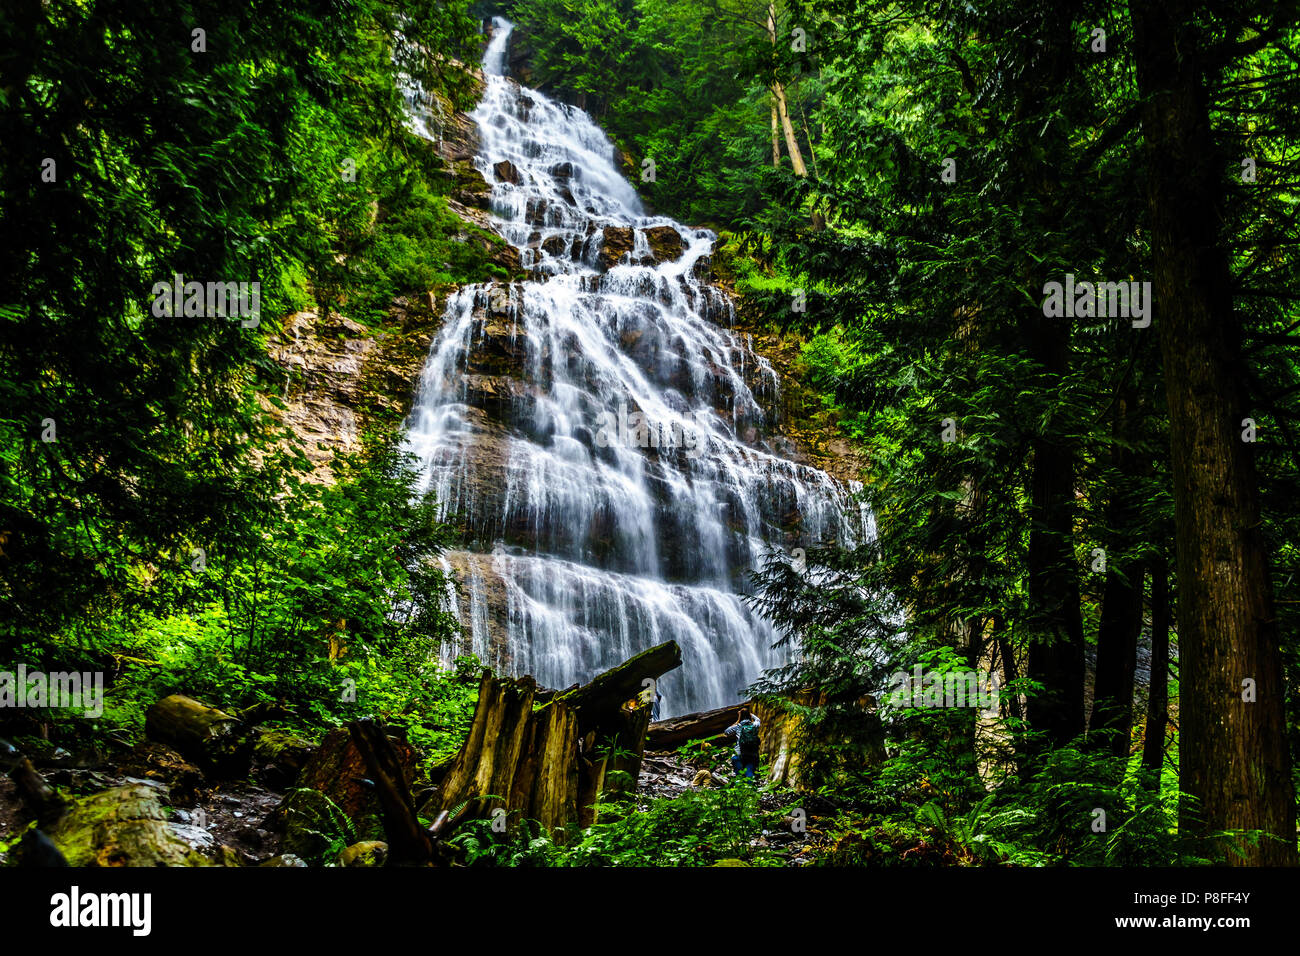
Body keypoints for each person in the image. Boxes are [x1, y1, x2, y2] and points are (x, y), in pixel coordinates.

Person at [724, 707, 761, 781]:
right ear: (749, 716)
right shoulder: (754, 725)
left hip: (738, 754)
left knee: (739, 776)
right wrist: (751, 714)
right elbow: (758, 720)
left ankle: (740, 790)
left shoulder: (738, 726)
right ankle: (750, 790)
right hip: (752, 754)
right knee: (749, 773)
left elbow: (726, 732)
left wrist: (738, 719)